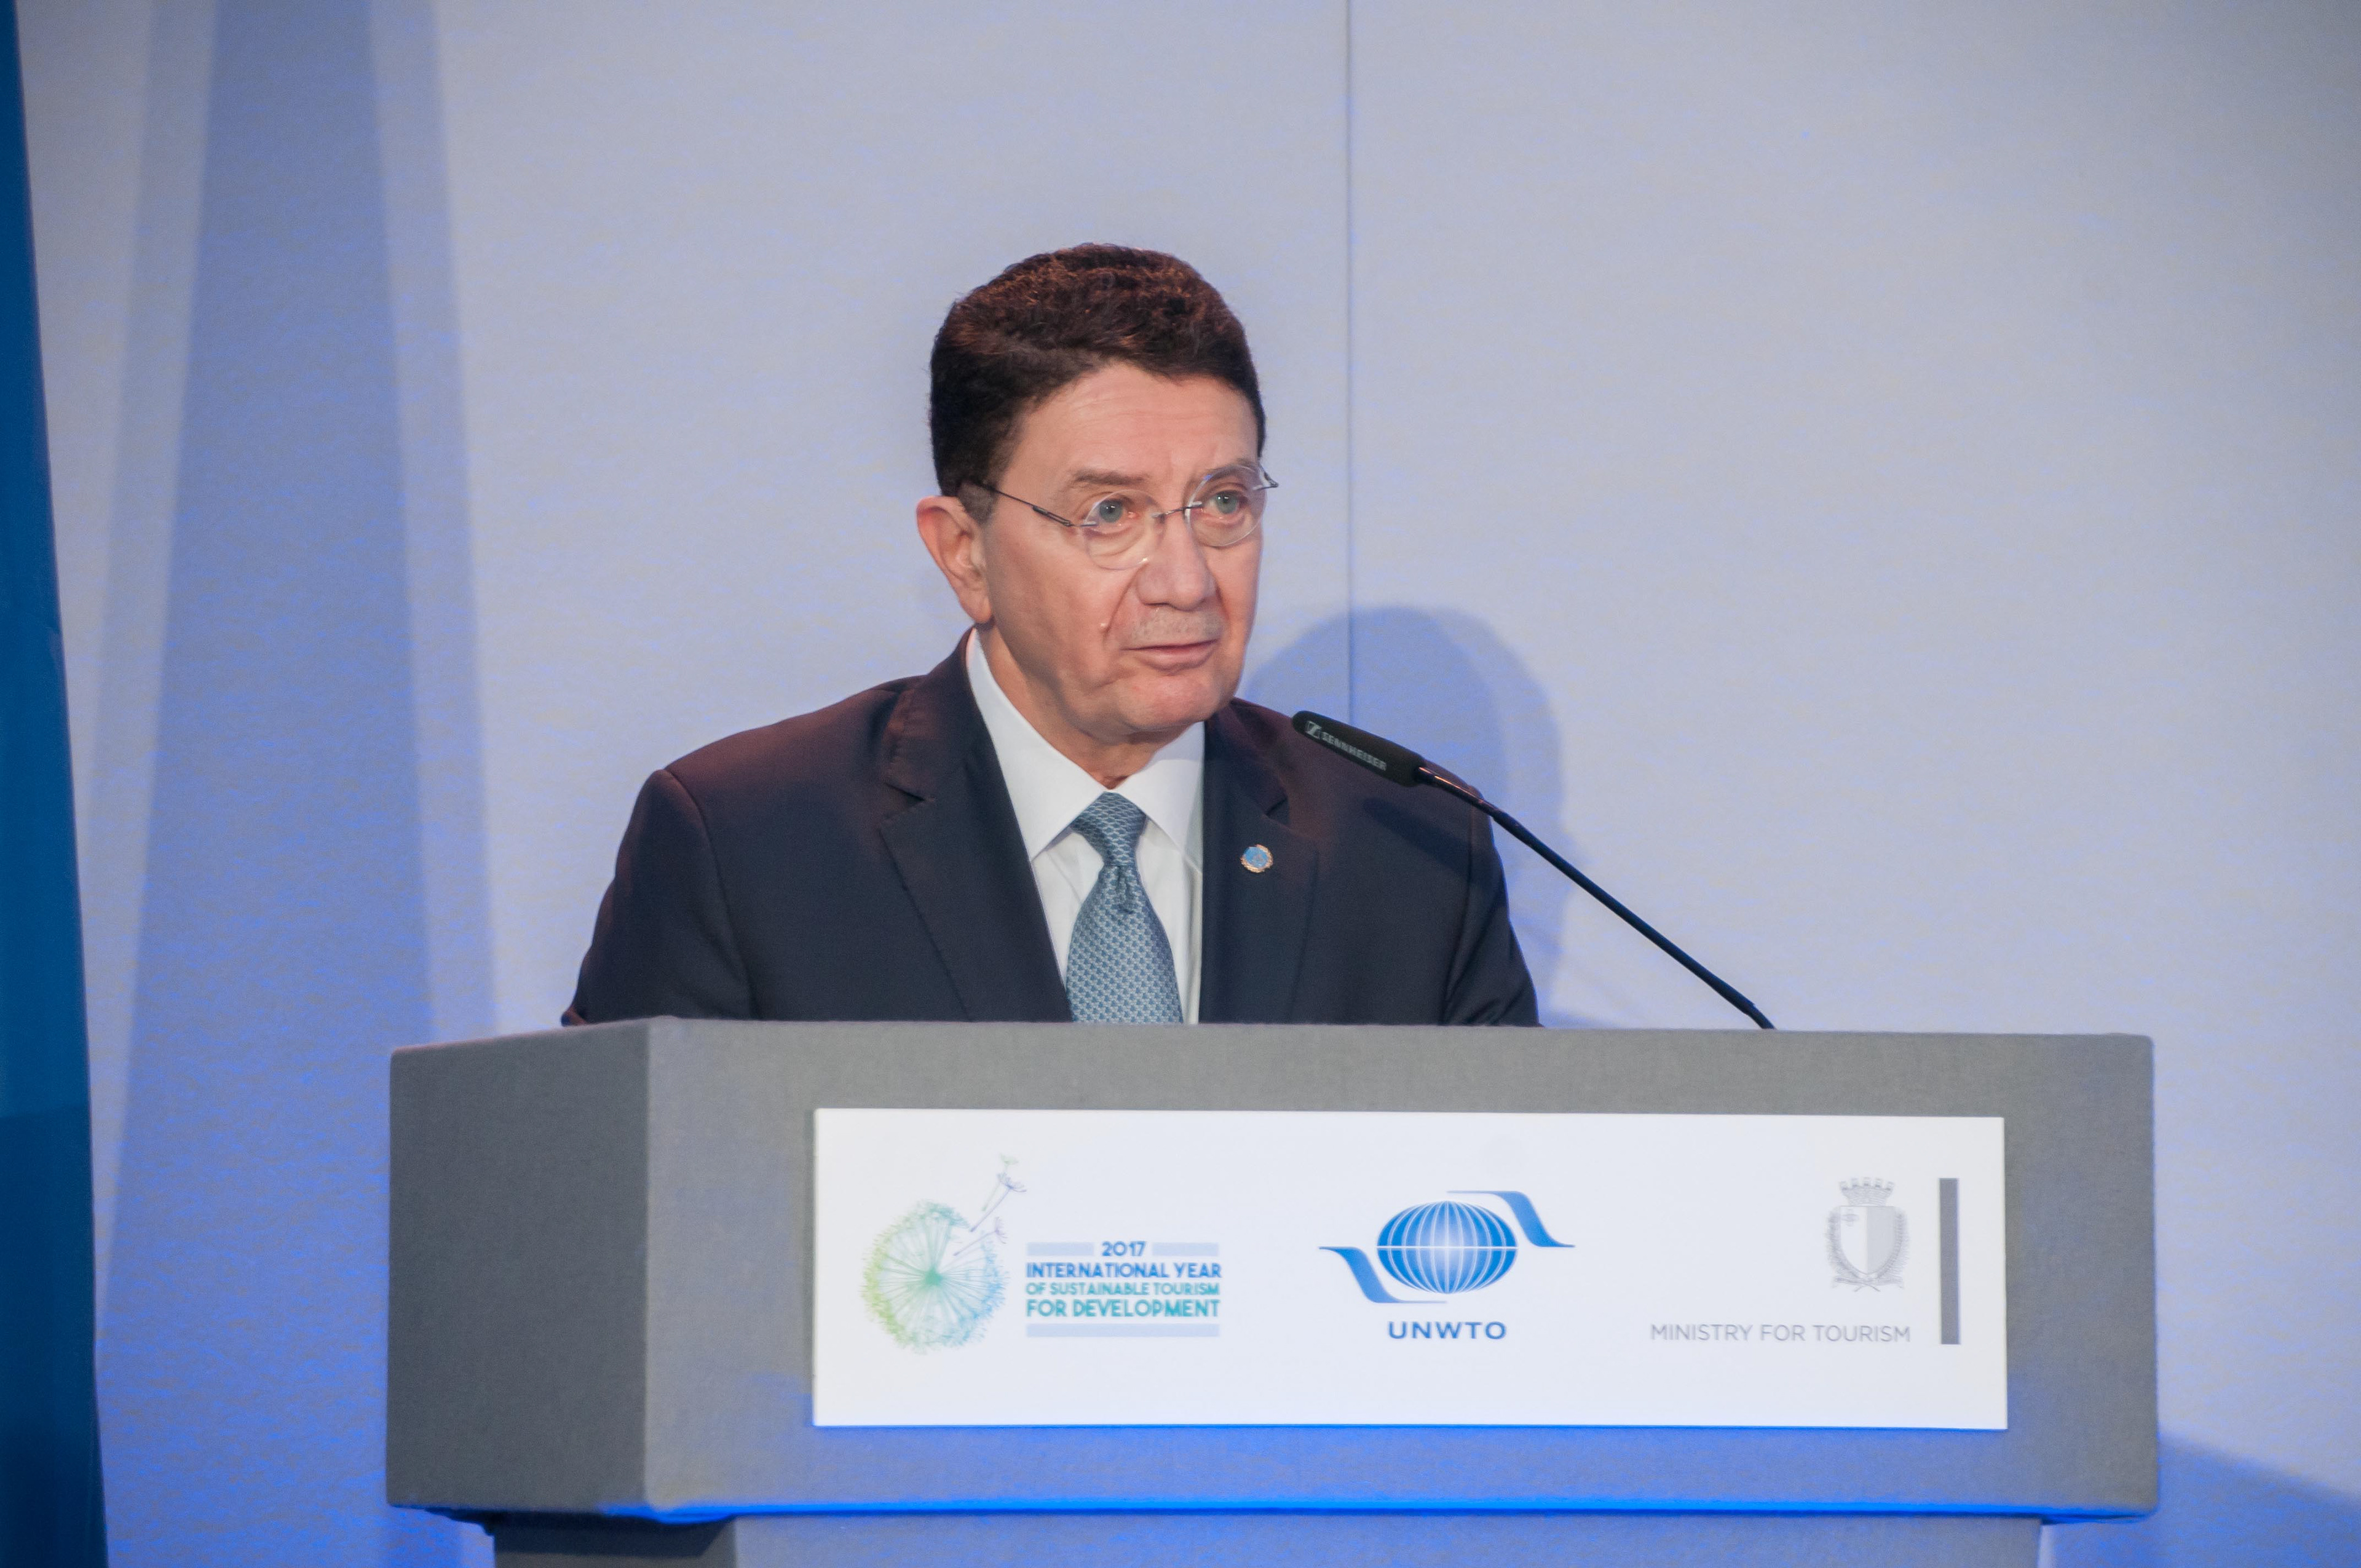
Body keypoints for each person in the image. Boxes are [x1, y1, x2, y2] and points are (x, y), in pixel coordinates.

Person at [566, 244, 1535, 1027]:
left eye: (1223, 502)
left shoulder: (1409, 855)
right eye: (1109, 512)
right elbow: (619, 1196)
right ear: (965, 554)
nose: (1187, 579)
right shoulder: (747, 845)